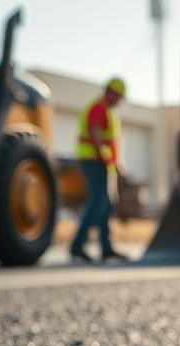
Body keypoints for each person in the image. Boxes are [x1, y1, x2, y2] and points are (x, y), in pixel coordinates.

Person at [71, 77, 127, 263]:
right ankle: (77, 245)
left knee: (106, 204)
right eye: (117, 95)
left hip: (103, 162)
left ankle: (106, 249)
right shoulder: (99, 108)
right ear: (109, 92)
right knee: (98, 202)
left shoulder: (109, 111)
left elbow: (110, 140)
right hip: (93, 161)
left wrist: (115, 161)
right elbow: (95, 133)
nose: (118, 99)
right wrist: (104, 155)